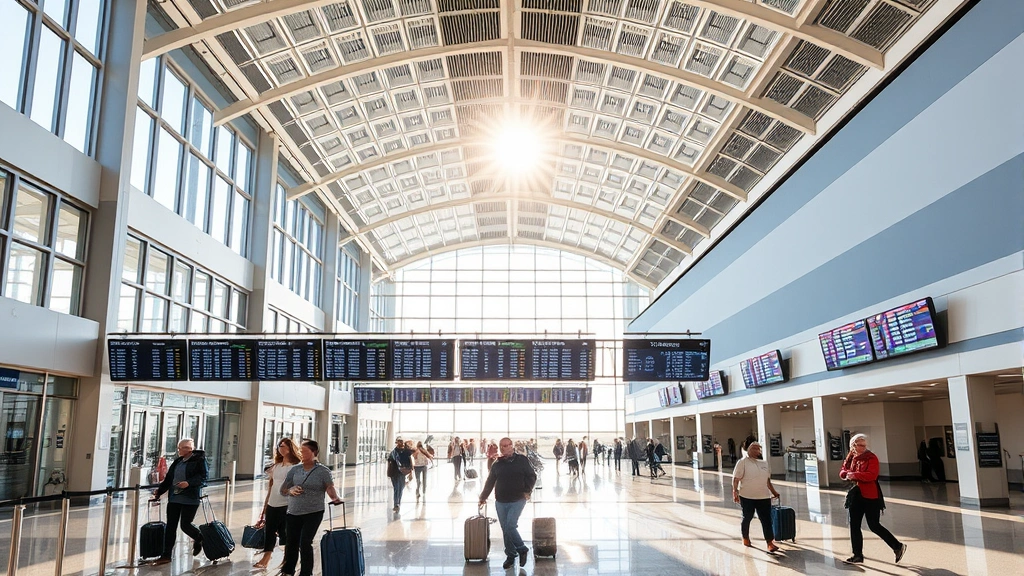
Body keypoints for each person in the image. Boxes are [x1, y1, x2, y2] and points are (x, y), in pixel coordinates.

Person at [840, 434, 907, 565]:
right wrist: (845, 474)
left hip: (870, 495)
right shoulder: (851, 457)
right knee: (854, 525)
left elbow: (871, 475)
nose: (863, 447)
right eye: (860, 445)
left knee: (874, 525)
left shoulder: (871, 458)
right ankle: (857, 555)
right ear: (853, 446)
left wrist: (854, 475)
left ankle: (897, 546)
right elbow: (843, 470)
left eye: (864, 445)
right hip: (856, 495)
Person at [280, 440, 342, 576]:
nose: (301, 454)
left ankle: (306, 572)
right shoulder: (295, 469)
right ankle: (288, 570)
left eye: (305, 451)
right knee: (291, 542)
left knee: (305, 542)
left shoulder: (323, 471)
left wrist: (335, 498)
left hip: (313, 512)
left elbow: (329, 487)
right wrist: (291, 490)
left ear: (314, 452)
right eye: (301, 451)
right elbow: (283, 489)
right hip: (293, 512)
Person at [479, 437, 538, 570]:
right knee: (505, 530)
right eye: (502, 446)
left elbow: (532, 476)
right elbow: (490, 482)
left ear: (512, 446)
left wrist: (527, 491)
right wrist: (483, 497)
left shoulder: (522, 460)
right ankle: (511, 556)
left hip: (518, 499)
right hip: (501, 501)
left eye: (507, 445)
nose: (504, 448)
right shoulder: (497, 464)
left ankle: (522, 549)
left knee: (510, 525)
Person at [151, 439, 208, 565]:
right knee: (171, 527)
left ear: (189, 449)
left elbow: (203, 477)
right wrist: (159, 492)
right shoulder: (177, 462)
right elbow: (169, 480)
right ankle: (166, 555)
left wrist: (188, 483)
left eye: (182, 448)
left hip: (190, 498)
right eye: (179, 448)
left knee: (185, 525)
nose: (180, 450)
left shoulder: (199, 460)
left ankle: (199, 537)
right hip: (175, 498)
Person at [254, 437, 301, 569]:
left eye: (284, 446)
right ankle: (266, 558)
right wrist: (264, 507)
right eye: (279, 446)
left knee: (285, 534)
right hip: (273, 504)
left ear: (290, 448)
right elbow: (271, 487)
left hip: (288, 504)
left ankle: (289, 559)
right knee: (269, 532)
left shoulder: (296, 467)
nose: (281, 448)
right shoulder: (276, 466)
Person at [731, 442, 780, 552]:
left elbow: (767, 481)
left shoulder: (764, 463)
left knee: (766, 519)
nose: (755, 450)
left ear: (759, 451)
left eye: (757, 448)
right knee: (747, 517)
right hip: (747, 496)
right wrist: (735, 492)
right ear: (748, 449)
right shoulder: (742, 462)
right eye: (753, 448)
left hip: (763, 496)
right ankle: (745, 537)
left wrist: (774, 492)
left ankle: (770, 542)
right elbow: (736, 479)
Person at [387, 438, 414, 512]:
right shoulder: (394, 452)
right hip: (395, 473)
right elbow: (393, 460)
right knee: (397, 488)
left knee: (400, 489)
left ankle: (398, 503)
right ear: (397, 442)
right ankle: (396, 504)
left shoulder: (405, 451)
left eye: (402, 442)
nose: (400, 443)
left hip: (402, 473)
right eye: (399, 442)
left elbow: (411, 456)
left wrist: (410, 471)